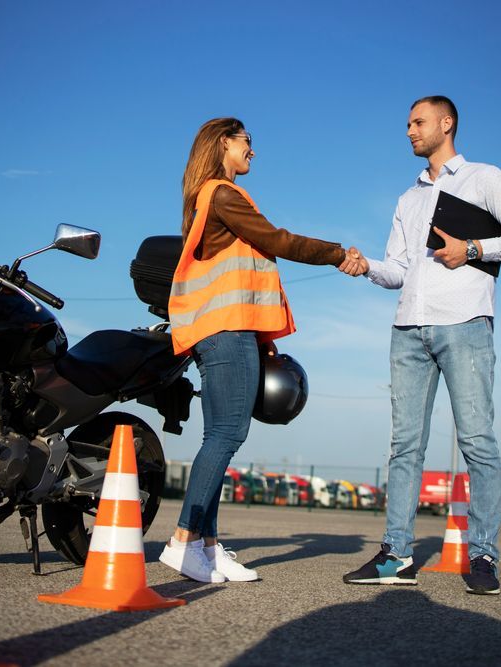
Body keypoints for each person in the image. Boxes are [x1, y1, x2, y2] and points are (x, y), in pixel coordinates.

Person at [340, 96, 501, 595]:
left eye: (418, 122)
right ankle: (397, 554)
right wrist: (366, 266)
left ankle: (483, 556)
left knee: (477, 441)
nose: (409, 131)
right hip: (408, 329)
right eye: (408, 124)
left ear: (446, 124)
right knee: (404, 446)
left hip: (466, 324)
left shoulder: (484, 179)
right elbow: (400, 270)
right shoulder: (407, 199)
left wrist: (472, 249)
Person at [160, 117, 357, 583]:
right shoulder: (223, 194)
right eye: (248, 141)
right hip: (225, 331)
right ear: (224, 142)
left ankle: (208, 549)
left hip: (222, 331)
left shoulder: (208, 197)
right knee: (227, 435)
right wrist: (336, 253)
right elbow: (277, 240)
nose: (253, 150)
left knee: (220, 436)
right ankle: (184, 540)